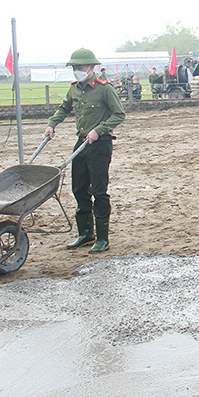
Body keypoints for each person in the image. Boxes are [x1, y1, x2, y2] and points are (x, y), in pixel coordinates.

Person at [44, 48, 125, 253]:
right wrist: (52, 124)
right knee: (79, 188)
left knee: (98, 190)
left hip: (100, 144)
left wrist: (99, 130)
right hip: (81, 144)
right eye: (74, 67)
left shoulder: (104, 88)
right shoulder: (74, 89)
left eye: (79, 66)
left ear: (91, 67)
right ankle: (86, 234)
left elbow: (119, 114)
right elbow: (64, 108)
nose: (76, 70)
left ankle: (102, 238)